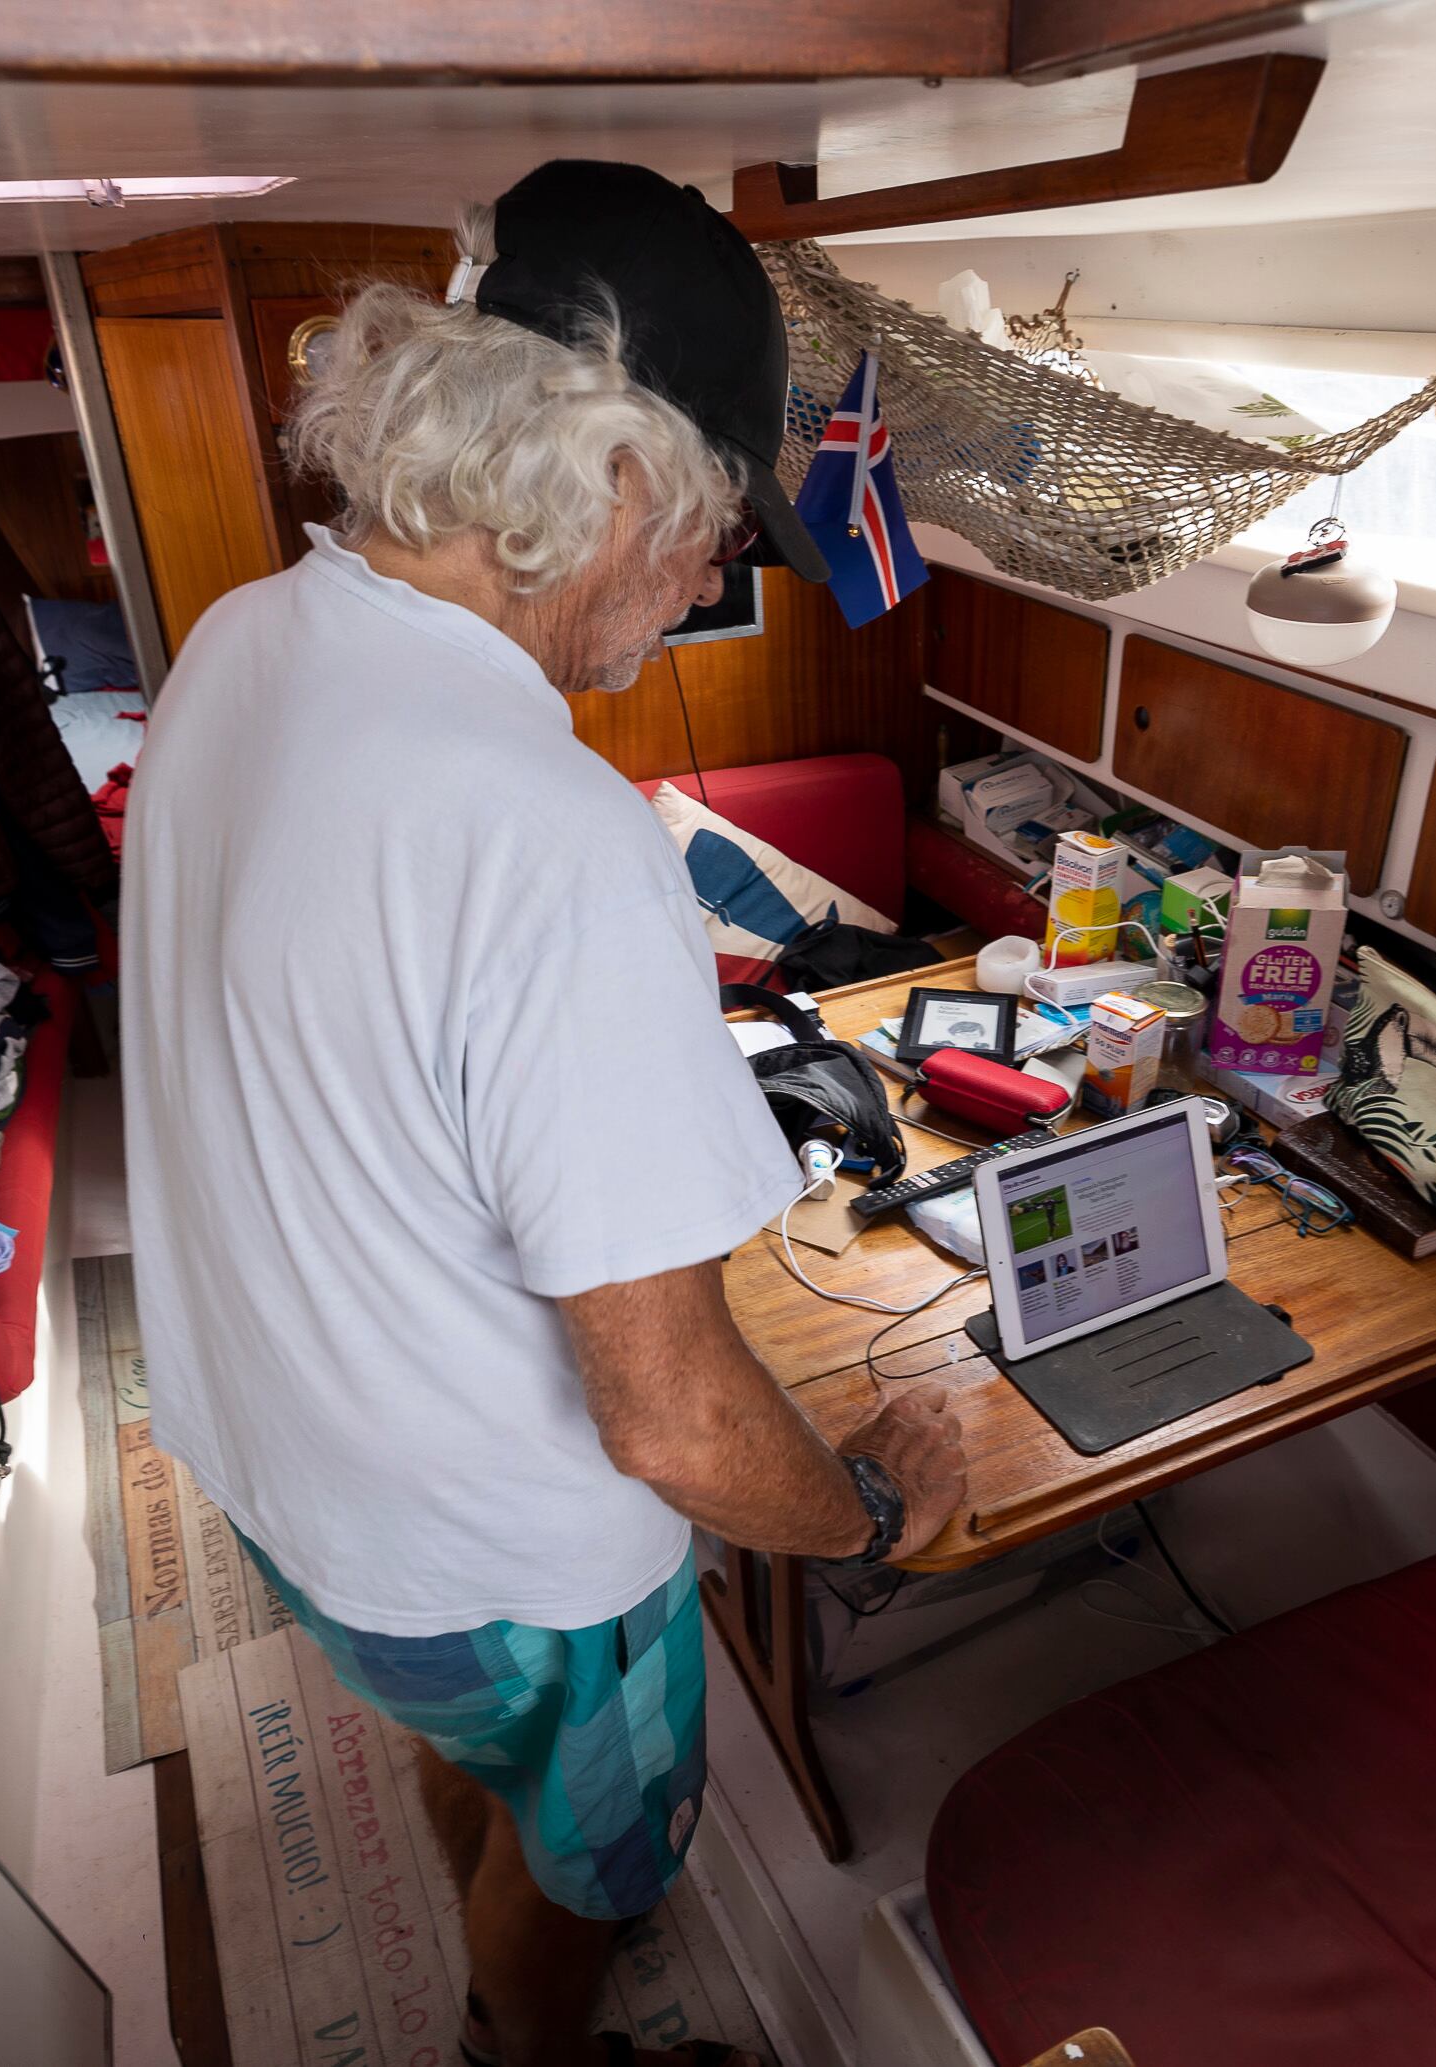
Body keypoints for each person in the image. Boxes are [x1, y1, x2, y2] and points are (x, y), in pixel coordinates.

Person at [121, 160, 973, 2067]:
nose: (708, 582)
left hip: (289, 1480)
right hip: (512, 1556)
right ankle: (535, 2047)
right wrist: (862, 1525)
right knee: (603, 1867)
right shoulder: (553, 830)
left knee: (484, 1770)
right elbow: (671, 1422)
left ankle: (496, 1964)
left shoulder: (250, 638)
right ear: (598, 483)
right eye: (708, 529)